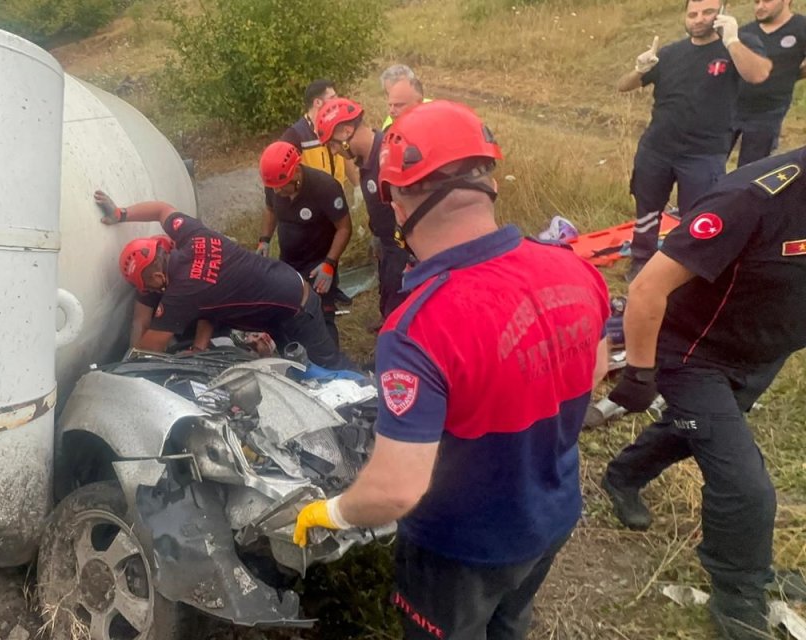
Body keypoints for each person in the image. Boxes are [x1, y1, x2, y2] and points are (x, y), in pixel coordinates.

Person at [293, 101, 611, 640]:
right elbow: (595, 368)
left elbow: (396, 490)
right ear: (490, 184)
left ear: (398, 205)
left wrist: (334, 512)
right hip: (553, 514)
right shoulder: (572, 266)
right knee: (511, 621)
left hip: (463, 548)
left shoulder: (417, 329)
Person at [601, 148, 806, 639]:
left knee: (697, 430)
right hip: (694, 353)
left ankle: (622, 476)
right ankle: (739, 591)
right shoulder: (753, 199)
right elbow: (648, 287)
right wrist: (640, 374)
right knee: (745, 485)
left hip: (760, 352)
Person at [96, 190, 352, 370]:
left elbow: (149, 348)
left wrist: (124, 369)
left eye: (147, 286)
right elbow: (161, 209)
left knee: (328, 370)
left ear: (157, 275)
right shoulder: (193, 235)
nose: (149, 291)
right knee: (295, 367)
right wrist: (121, 213)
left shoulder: (181, 293)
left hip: (297, 309)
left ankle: (368, 392)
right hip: (283, 293)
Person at [617, 0, 770, 280]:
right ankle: (642, 258)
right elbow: (623, 86)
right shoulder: (670, 53)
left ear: (722, 13)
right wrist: (639, 69)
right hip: (656, 149)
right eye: (693, 14)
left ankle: (687, 270)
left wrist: (732, 41)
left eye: (707, 12)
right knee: (647, 209)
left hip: (704, 153)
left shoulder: (738, 46)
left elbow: (758, 74)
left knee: (698, 217)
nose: (699, 19)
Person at [315, 97, 409, 319]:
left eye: (333, 144)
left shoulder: (388, 158)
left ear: (347, 131)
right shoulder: (366, 160)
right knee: (386, 295)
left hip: (403, 250)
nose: (334, 151)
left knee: (400, 308)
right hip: (387, 246)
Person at [256, 141, 352, 344]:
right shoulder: (274, 184)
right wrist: (264, 240)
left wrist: (329, 263)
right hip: (289, 262)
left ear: (296, 172)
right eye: (274, 188)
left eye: (282, 187)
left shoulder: (325, 187)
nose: (277, 192)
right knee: (290, 313)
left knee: (322, 317)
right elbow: (271, 209)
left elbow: (344, 228)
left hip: (319, 263)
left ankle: (331, 359)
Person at [732, 0, 806, 165]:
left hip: (768, 113)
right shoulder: (744, 33)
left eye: (767, 1)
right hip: (732, 108)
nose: (760, 7)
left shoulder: (801, 27)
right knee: (710, 163)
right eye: (756, 2)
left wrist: (789, 75)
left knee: (752, 169)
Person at [280, 79, 359, 196]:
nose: (337, 101)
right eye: (332, 98)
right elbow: (282, 170)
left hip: (337, 196)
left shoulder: (336, 126)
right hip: (312, 201)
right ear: (317, 102)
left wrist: (357, 186)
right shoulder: (296, 134)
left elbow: (345, 156)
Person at [380, 64, 432, 130]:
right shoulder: (388, 124)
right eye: (389, 94)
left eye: (401, 90)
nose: (392, 110)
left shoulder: (436, 113)